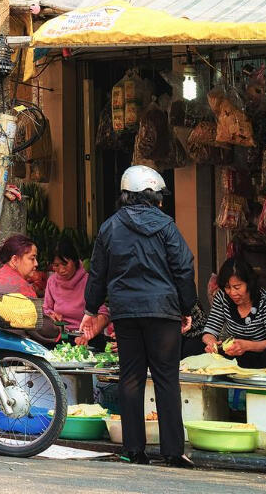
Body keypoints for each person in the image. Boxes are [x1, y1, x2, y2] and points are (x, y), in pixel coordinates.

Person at [81, 165, 198, 468]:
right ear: (154, 197)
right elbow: (184, 267)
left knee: (131, 377)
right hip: (163, 312)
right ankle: (173, 451)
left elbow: (98, 272)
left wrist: (91, 310)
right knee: (166, 379)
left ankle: (134, 450)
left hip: (126, 313)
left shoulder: (110, 227)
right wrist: (187, 308)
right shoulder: (167, 226)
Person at [201, 259, 266, 369]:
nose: (232, 293)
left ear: (249, 283)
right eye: (228, 287)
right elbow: (210, 330)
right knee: (203, 349)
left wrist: (247, 346)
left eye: (237, 287)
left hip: (265, 357)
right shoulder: (222, 297)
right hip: (239, 356)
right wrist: (212, 344)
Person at [44, 237, 109, 343]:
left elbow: (104, 315)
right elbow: (46, 309)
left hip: (88, 338)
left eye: (65, 264)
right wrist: (52, 315)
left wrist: (88, 335)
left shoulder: (89, 281)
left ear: (74, 260)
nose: (61, 270)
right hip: (61, 337)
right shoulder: (52, 281)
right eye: (56, 265)